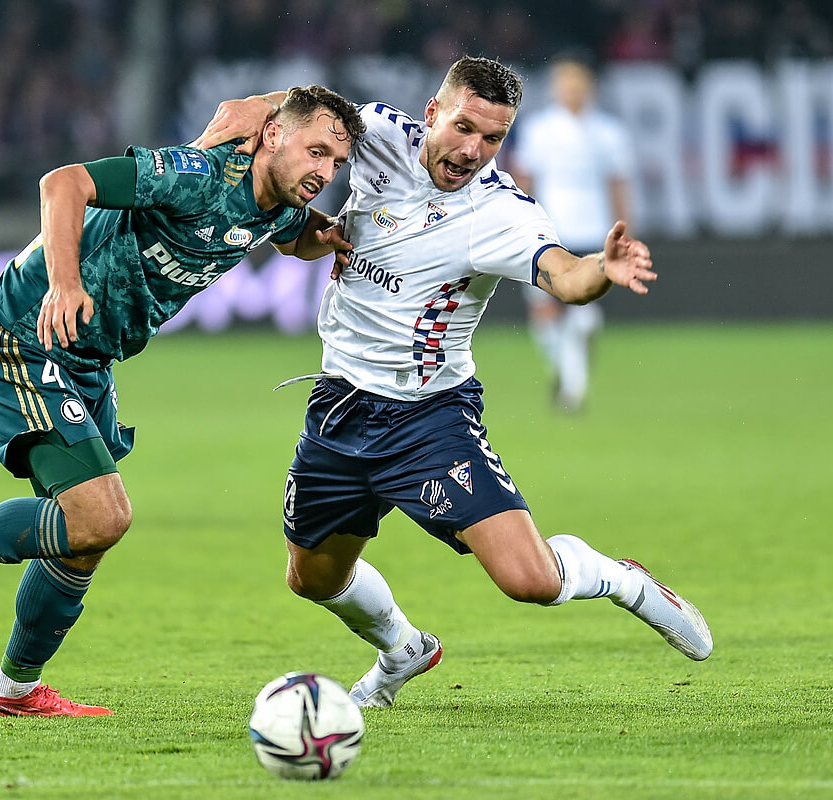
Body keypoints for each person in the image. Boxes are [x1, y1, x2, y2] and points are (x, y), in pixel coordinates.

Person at [192, 56, 712, 708]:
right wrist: (263, 102)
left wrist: (601, 270)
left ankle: (623, 580)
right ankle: (402, 648)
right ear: (432, 114)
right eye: (464, 127)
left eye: (492, 138)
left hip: (428, 416)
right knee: (313, 578)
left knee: (529, 581)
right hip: (339, 401)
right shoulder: (378, 132)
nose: (472, 149)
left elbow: (567, 277)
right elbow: (306, 120)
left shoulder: (501, 215)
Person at [0, 85, 366, 716]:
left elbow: (291, 237)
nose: (323, 172)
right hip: (26, 337)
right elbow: (62, 184)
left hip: (87, 361)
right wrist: (65, 283)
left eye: (336, 163)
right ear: (272, 134)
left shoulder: (274, 203)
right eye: (314, 150)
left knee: (84, 537)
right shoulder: (195, 174)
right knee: (100, 516)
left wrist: (331, 239)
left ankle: (15, 690)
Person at [510, 55, 635, 413]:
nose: (572, 92)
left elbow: (618, 186)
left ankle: (571, 388)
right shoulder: (539, 130)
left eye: (578, 86)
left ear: (589, 89)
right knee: (545, 314)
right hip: (550, 230)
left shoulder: (609, 133)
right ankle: (566, 375)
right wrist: (519, 225)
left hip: (594, 231)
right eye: (566, 86)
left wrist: (625, 231)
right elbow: (524, 182)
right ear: (556, 90)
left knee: (585, 318)